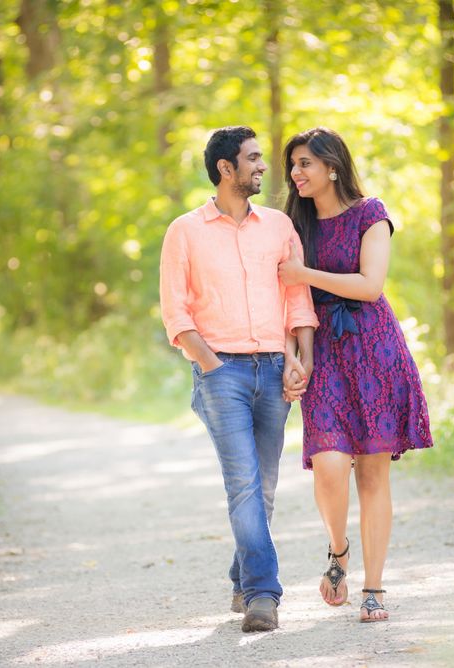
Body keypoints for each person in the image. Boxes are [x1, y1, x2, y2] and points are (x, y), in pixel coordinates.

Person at [159, 125, 318, 632]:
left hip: (275, 370)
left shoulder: (278, 227)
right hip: (220, 373)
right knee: (245, 485)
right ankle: (262, 595)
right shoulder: (184, 231)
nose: (263, 167)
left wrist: (300, 358)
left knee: (264, 489)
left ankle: (240, 574)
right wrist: (211, 365)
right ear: (226, 168)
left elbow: (297, 300)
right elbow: (175, 312)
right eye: (252, 159)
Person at [277, 127, 434, 623]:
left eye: (305, 163)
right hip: (321, 352)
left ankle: (374, 588)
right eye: (293, 166)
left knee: (371, 471)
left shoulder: (372, 214)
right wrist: (290, 354)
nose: (296, 174)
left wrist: (306, 276)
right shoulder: (292, 226)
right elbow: (280, 297)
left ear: (333, 166)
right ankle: (339, 552)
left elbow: (370, 285)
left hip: (374, 350)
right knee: (327, 464)